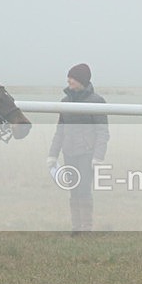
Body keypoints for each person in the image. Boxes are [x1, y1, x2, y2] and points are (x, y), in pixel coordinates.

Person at [47, 63, 110, 235]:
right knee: (73, 190)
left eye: (72, 78)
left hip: (87, 154)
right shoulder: (64, 102)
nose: (69, 80)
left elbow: (102, 131)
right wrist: (52, 154)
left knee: (84, 189)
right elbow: (60, 130)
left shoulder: (97, 102)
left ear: (81, 80)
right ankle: (76, 227)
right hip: (69, 152)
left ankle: (86, 228)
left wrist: (98, 157)